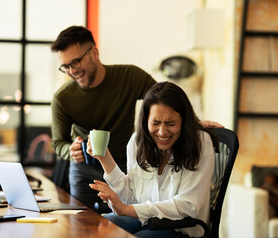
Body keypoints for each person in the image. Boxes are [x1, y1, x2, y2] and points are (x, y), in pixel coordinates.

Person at [50, 26, 222, 210]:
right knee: (81, 220)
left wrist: (192, 122)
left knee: (121, 221)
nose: (72, 71)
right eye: (66, 66)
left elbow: (166, 100)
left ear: (94, 52)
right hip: (85, 168)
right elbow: (58, 143)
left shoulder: (129, 76)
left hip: (124, 163)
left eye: (75, 62)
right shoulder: (62, 98)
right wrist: (72, 151)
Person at [88, 81, 218, 238]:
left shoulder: (201, 143)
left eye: (171, 123)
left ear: (184, 121)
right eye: (155, 123)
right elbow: (132, 197)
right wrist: (104, 157)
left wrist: (126, 210)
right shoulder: (138, 141)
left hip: (182, 228)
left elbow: (188, 206)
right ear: (146, 121)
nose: (162, 132)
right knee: (98, 227)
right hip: (146, 220)